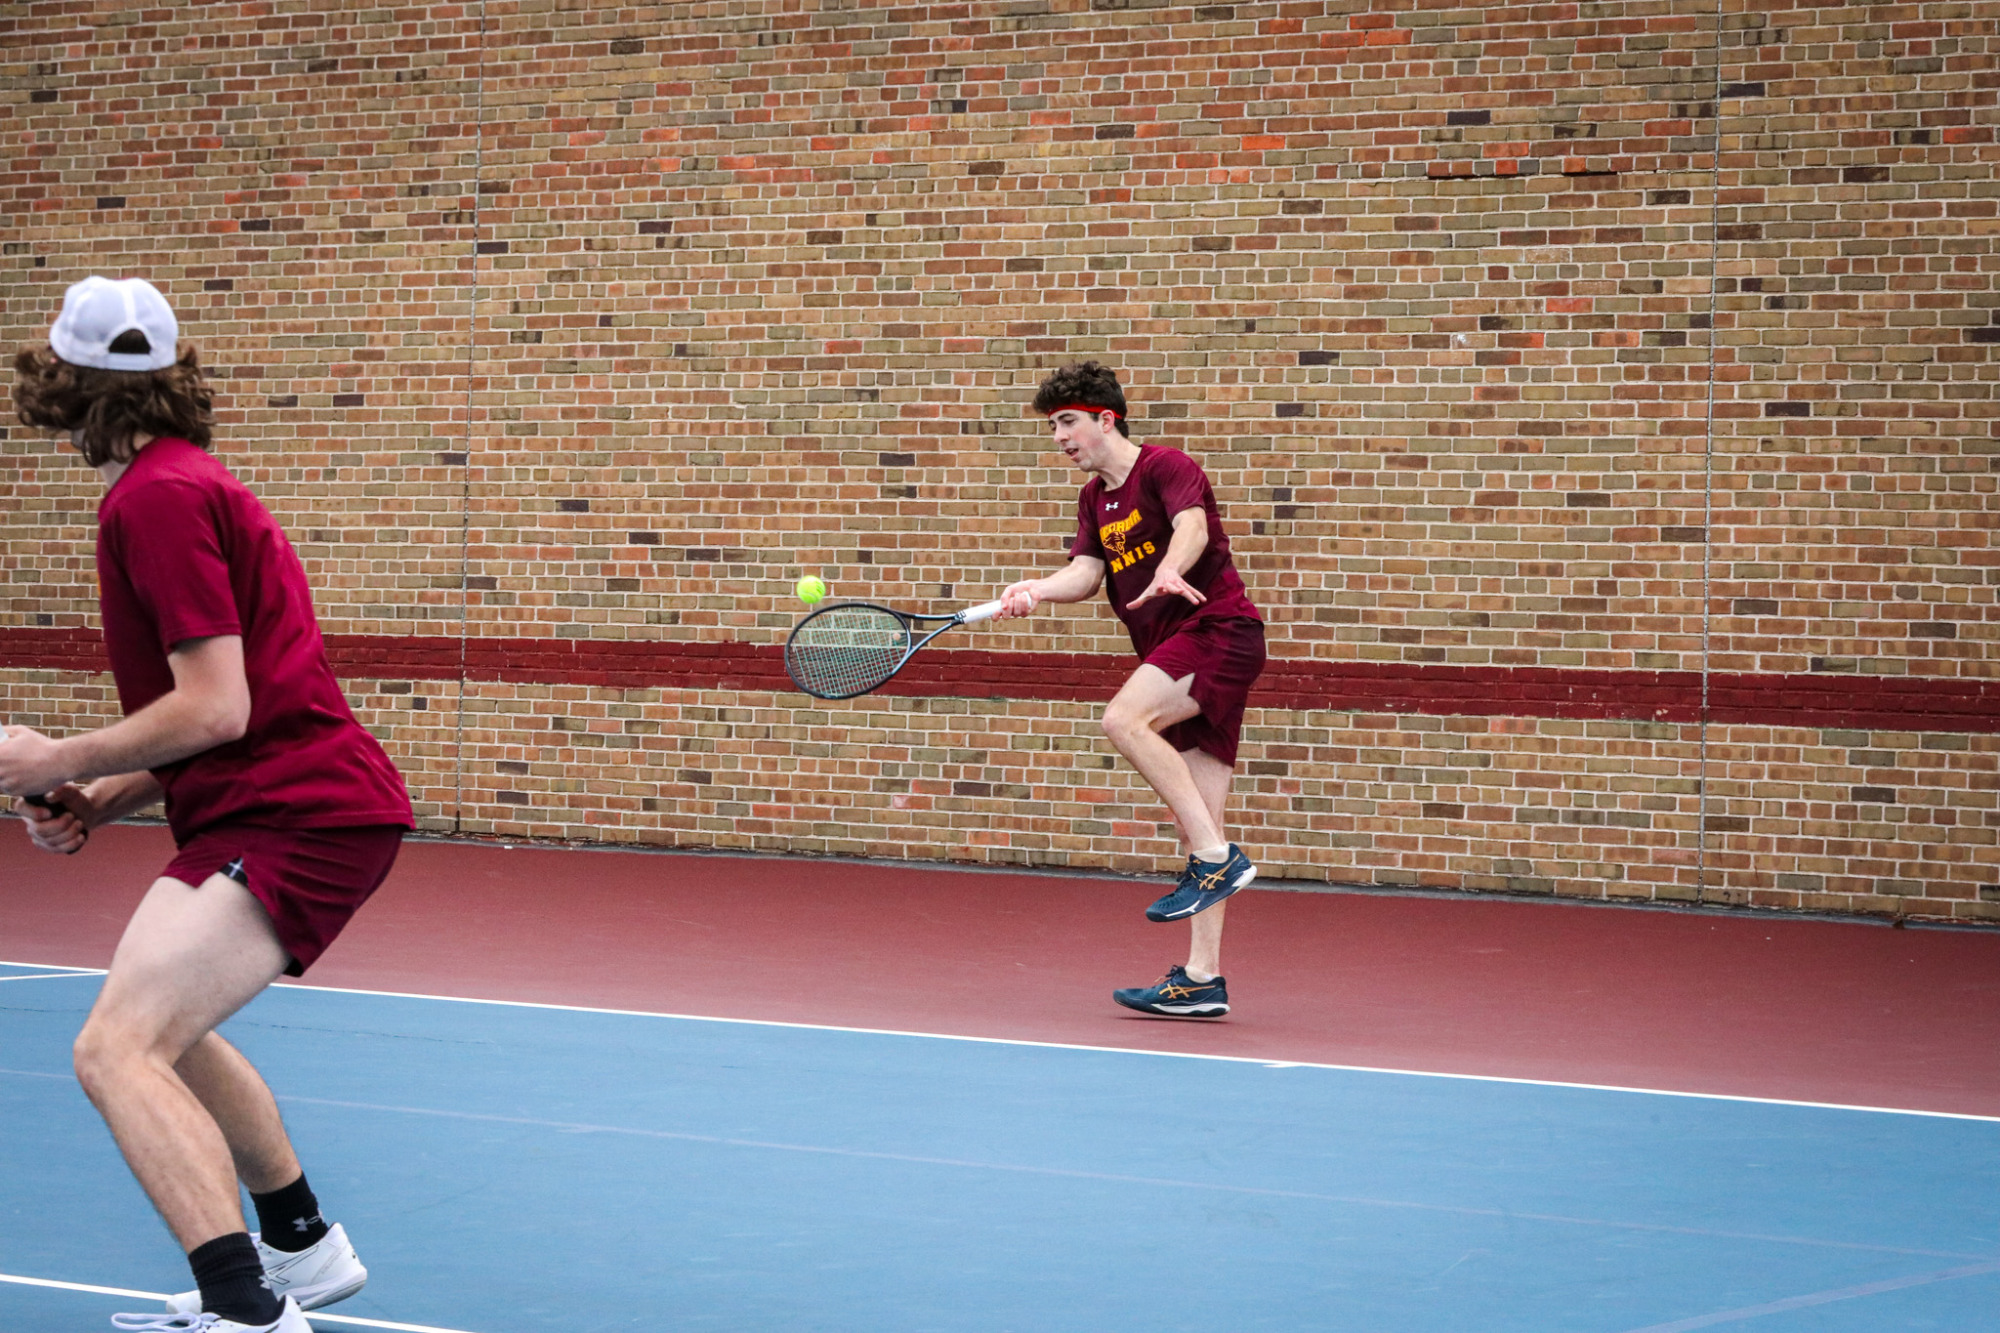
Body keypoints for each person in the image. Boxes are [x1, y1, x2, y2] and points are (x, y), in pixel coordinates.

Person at [2, 276, 413, 1332]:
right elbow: (231, 706)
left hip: (298, 812)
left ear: (64, 381)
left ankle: (247, 1307)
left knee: (115, 1047)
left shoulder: (157, 498)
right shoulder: (183, 483)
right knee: (160, 1026)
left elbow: (217, 707)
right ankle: (304, 1249)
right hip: (272, 802)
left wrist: (52, 752)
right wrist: (101, 792)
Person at [998, 362, 1266, 1018]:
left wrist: (1172, 570)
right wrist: (1032, 588)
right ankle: (1203, 978)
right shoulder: (1096, 499)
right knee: (1199, 819)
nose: (1059, 436)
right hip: (1177, 653)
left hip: (1217, 632)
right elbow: (1087, 573)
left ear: (1104, 419)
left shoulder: (1166, 467)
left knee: (1122, 720)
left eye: (1067, 422)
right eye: (1053, 426)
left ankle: (1216, 858)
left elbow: (1193, 527)